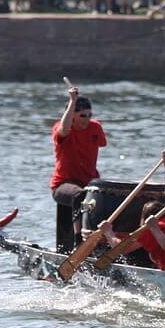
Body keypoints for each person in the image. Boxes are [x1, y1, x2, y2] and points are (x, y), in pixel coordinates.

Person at [50, 83, 107, 252]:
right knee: (80, 195)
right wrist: (72, 100)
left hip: (89, 182)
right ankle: (78, 241)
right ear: (72, 116)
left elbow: (102, 143)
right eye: (82, 115)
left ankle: (103, 245)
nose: (87, 119)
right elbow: (64, 128)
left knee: (107, 198)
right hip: (62, 185)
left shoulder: (95, 127)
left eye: (89, 115)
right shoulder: (61, 128)